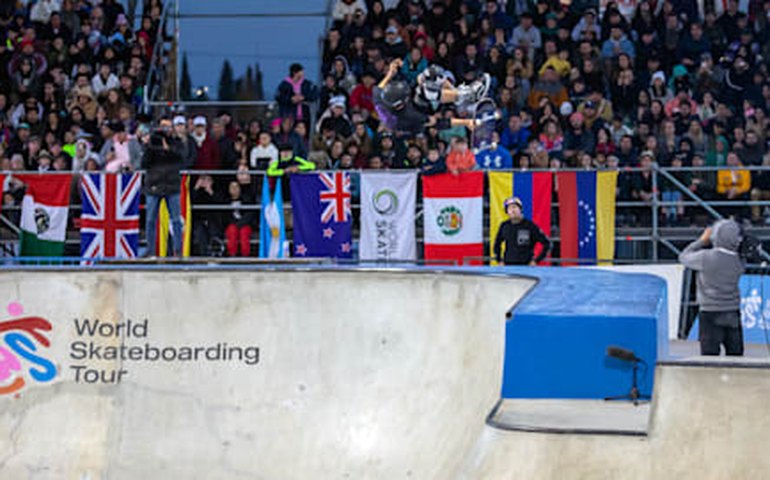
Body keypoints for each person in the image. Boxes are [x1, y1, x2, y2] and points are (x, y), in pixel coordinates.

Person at [678, 220, 745, 356]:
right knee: (736, 355)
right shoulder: (740, 261)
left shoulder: (706, 257)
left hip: (710, 311)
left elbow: (683, 257)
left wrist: (702, 241)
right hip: (732, 310)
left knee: (710, 358)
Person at [143, 118, 185, 257]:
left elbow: (182, 158)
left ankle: (178, 250)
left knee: (176, 220)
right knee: (150, 220)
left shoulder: (177, 143)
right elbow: (144, 163)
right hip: (154, 184)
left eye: (168, 127)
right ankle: (150, 250)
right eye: (163, 126)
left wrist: (168, 149)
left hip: (171, 184)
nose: (165, 130)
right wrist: (149, 147)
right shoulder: (152, 143)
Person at [493, 196, 551, 266]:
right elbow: (496, 244)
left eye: (514, 207)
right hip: (508, 267)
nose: (512, 210)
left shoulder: (530, 226)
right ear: (507, 212)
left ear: (520, 209)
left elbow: (547, 244)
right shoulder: (504, 226)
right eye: (509, 208)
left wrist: (536, 260)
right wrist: (499, 260)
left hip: (526, 267)